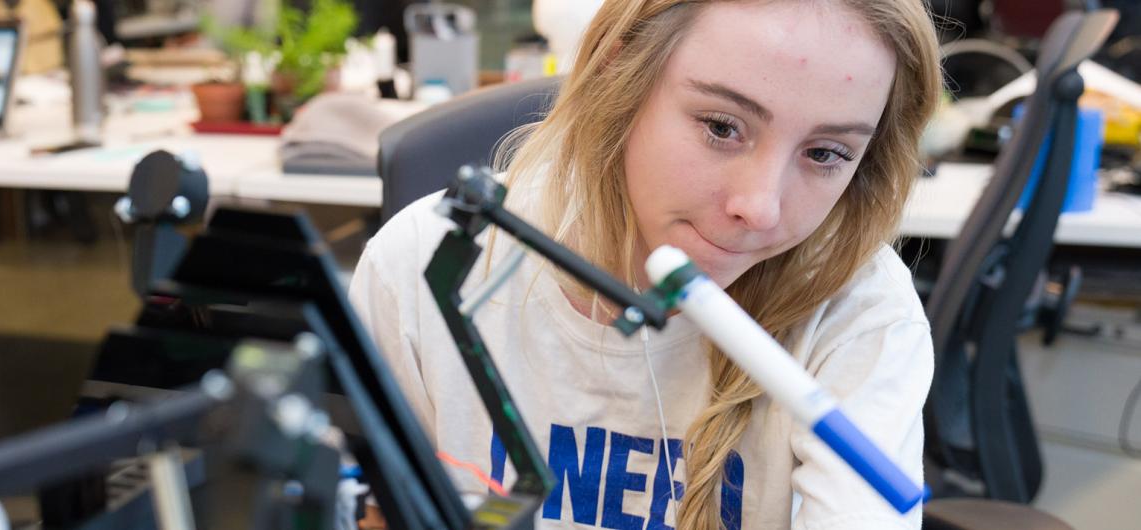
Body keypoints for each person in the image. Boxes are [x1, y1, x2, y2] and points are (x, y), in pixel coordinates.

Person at [350, 0, 942, 529]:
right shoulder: (428, 264)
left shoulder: (861, 312)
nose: (758, 208)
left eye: (825, 153)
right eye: (721, 127)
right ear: (618, 75)